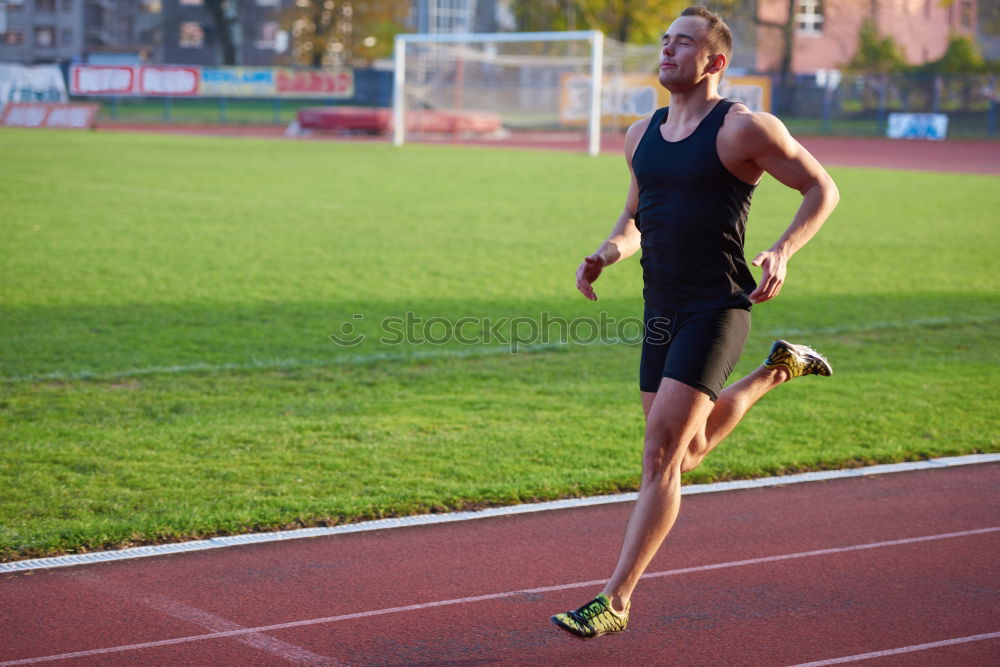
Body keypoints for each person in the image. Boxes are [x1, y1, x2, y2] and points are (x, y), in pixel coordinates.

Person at [551, 6, 840, 640]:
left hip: (717, 308)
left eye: (683, 43)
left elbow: (822, 188)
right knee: (690, 450)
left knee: (660, 453)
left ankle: (615, 600)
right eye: (664, 41)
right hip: (661, 309)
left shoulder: (743, 130)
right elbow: (636, 219)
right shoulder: (640, 134)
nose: (667, 51)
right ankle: (778, 369)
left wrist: (783, 250)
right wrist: (606, 253)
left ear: (715, 62)